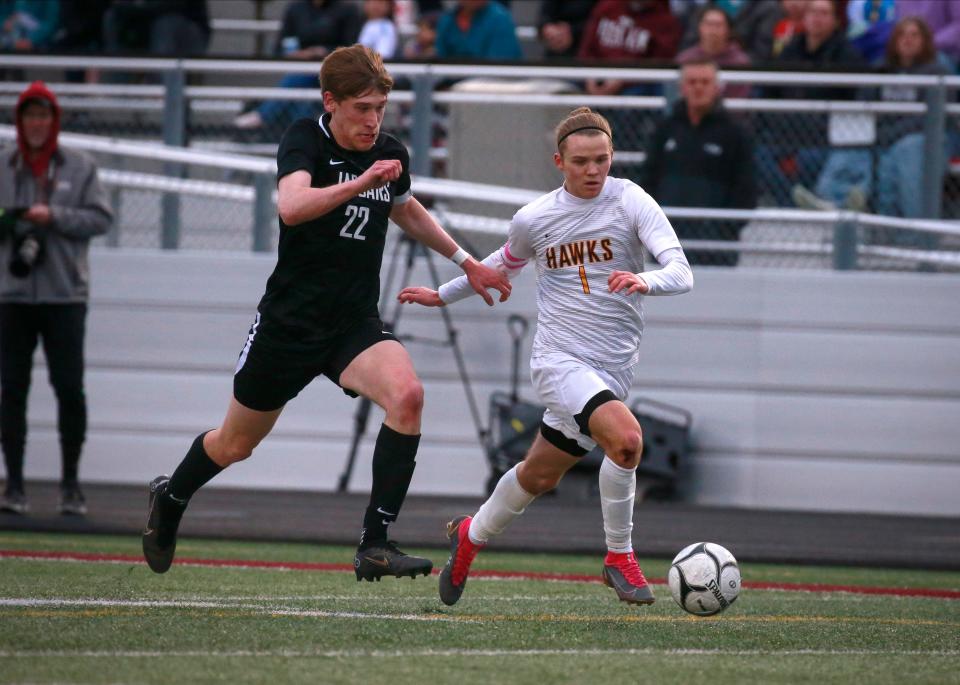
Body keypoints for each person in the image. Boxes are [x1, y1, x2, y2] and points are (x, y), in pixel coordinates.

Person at [141, 45, 511, 580]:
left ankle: (374, 543)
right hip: (289, 325)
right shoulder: (303, 138)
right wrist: (362, 182)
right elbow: (291, 206)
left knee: (407, 396)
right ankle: (171, 499)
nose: (373, 120)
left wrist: (467, 262)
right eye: (362, 108)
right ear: (330, 102)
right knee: (235, 444)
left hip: (352, 322)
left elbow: (403, 206)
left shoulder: (390, 151)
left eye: (381, 107)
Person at [397, 107, 693, 607]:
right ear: (560, 161)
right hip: (559, 361)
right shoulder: (535, 219)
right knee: (626, 441)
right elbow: (498, 266)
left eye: (602, 160)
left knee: (538, 476)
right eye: (581, 162)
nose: (593, 170)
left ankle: (468, 537)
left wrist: (645, 280)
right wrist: (442, 294)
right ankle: (618, 558)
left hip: (612, 369)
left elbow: (681, 271)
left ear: (613, 156)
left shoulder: (631, 201)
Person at [0, 81, 113, 515]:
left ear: (54, 121)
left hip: (65, 295)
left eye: (43, 116)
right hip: (13, 296)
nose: (36, 124)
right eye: (29, 116)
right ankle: (13, 486)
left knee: (69, 388)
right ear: (20, 121)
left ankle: (70, 485)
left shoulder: (79, 167)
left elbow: (101, 217)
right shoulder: (5, 166)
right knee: (12, 389)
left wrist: (54, 217)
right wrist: (13, 222)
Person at [639, 60, 756, 266]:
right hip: (667, 244)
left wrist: (724, 230)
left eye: (705, 82)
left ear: (717, 88)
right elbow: (648, 180)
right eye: (692, 82)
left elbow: (747, 189)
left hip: (717, 247)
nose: (698, 87)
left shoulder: (735, 133)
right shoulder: (664, 129)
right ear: (682, 88)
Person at [234, 0, 362, 133]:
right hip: (300, 71)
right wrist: (296, 54)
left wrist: (322, 52)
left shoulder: (347, 9)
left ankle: (263, 116)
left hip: (334, 73)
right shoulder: (296, 8)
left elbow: (351, 48)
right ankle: (297, 140)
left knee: (304, 77)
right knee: (302, 105)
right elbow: (280, 47)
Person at [577, 0, 682, 96]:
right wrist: (590, 76)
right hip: (594, 76)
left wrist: (623, 80)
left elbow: (660, 64)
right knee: (565, 89)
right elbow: (587, 49)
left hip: (635, 84)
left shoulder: (666, 21)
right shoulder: (607, 6)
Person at [675, 7, 752, 99]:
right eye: (709, 24)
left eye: (718, 25)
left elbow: (740, 100)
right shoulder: (685, 59)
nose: (713, 30)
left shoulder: (741, 62)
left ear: (728, 29)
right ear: (700, 27)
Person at [434, 0, 522, 61]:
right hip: (449, 84)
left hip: (492, 84)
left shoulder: (500, 19)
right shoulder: (447, 20)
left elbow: (499, 68)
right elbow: (441, 61)